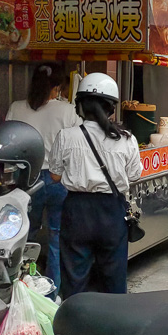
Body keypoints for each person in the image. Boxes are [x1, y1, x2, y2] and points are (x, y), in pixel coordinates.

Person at [49, 73, 141, 297]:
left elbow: (55, 177)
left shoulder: (66, 136)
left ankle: (75, 325)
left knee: (74, 276)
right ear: (111, 108)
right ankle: (112, 324)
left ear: (80, 105)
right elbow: (134, 176)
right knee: (113, 275)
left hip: (76, 211)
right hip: (111, 211)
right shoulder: (127, 138)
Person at [6, 63, 80, 290]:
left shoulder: (16, 108)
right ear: (56, 88)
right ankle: (52, 292)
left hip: (26, 179)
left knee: (27, 236)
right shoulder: (67, 110)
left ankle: (24, 287)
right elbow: (79, 143)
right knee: (57, 238)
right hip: (57, 179)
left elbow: (9, 142)